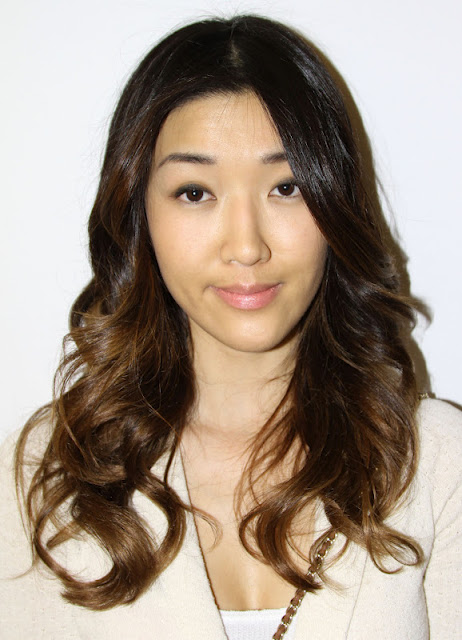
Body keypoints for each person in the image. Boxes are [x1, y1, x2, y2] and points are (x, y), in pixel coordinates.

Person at [0, 14, 461, 640]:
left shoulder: (437, 462)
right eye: (195, 192)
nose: (246, 247)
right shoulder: (43, 476)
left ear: (335, 206)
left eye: (287, 186)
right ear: (138, 214)